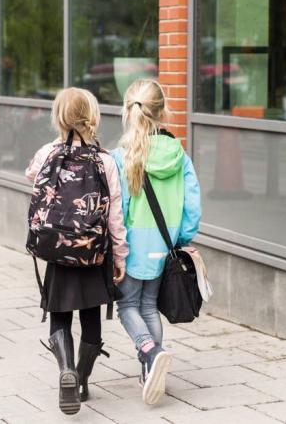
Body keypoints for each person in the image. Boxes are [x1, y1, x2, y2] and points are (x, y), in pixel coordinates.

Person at [25, 88, 129, 414]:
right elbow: (115, 214)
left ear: (58, 118)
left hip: (58, 250)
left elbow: (31, 176)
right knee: (90, 315)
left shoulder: (47, 153)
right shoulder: (106, 160)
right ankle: (82, 381)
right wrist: (121, 255)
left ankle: (66, 369)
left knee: (59, 313)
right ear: (93, 117)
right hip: (94, 253)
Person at [111, 79, 201, 405]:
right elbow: (193, 206)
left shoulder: (120, 158)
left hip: (133, 244)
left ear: (128, 111)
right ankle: (150, 372)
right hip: (164, 243)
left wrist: (114, 247)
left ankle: (151, 352)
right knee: (149, 305)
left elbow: (117, 209)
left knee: (127, 307)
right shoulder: (179, 155)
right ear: (162, 111)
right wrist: (182, 237)